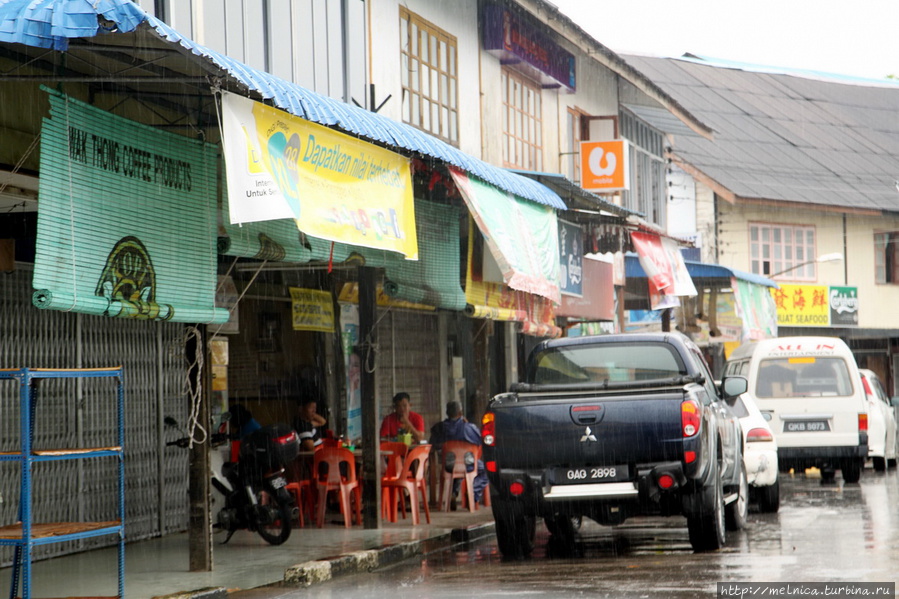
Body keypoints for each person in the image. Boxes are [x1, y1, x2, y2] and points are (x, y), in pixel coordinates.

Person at [429, 400, 488, 506]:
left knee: (455, 468)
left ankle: (453, 493)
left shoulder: (439, 428)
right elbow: (480, 442)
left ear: (447, 413)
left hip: (448, 465)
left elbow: (432, 446)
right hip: (468, 464)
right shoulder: (469, 428)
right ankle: (473, 493)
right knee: (486, 470)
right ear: (460, 413)